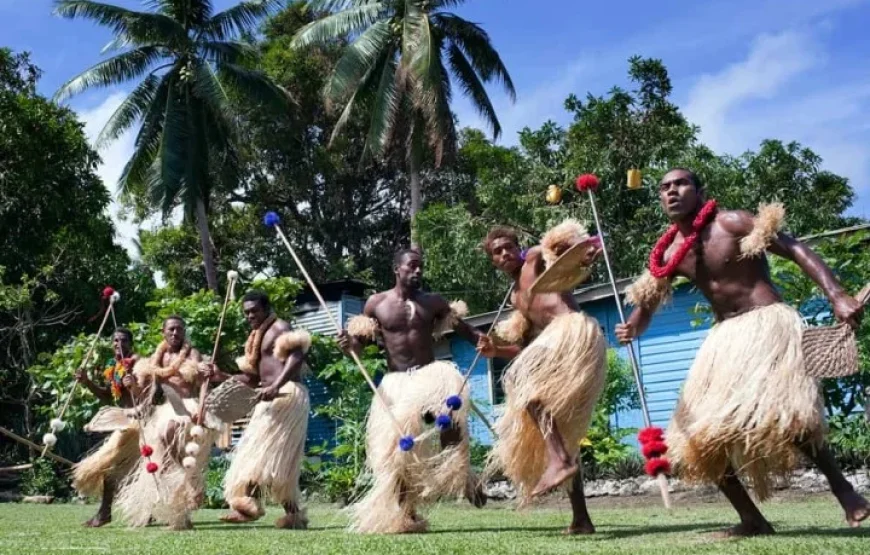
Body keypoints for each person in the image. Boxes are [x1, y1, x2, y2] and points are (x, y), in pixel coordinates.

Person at [615, 167, 870, 536]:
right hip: (724, 340)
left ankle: (844, 491)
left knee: (788, 415)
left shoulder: (732, 223)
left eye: (681, 184)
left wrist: (836, 295)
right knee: (695, 440)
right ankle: (753, 520)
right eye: (664, 188)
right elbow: (648, 301)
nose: (672, 191)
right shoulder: (670, 251)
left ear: (700, 191)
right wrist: (634, 326)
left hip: (767, 324)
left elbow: (795, 249)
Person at [337, 248, 490, 534]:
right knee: (397, 450)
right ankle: (407, 514)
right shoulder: (376, 304)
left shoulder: (433, 302)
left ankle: (462, 474)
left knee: (451, 414)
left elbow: (465, 331)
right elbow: (359, 346)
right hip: (396, 382)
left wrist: (484, 341)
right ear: (397, 269)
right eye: (412, 267)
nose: (418, 271)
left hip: (431, 375)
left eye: (421, 267)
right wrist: (349, 346)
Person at [477, 222, 607, 535]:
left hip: (573, 330)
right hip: (559, 343)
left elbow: (575, 249)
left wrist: (584, 254)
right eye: (498, 252)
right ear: (492, 260)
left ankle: (559, 460)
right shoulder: (516, 299)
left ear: (518, 247)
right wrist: (496, 350)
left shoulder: (534, 259)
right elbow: (524, 347)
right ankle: (581, 520)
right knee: (563, 432)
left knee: (521, 380)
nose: (505, 253)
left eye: (509, 247)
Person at [210, 290, 311, 529]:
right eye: (246, 312)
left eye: (254, 310)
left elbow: (297, 356)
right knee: (269, 458)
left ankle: (248, 506)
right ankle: (294, 515)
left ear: (266, 308)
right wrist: (220, 376)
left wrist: (276, 385)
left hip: (287, 396)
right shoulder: (256, 337)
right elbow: (252, 377)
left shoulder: (279, 328)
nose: (250, 316)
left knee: (266, 455)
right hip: (268, 398)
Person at [115, 316, 215, 530]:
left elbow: (202, 382)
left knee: (171, 437)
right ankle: (179, 517)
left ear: (184, 331)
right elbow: (145, 392)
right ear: (164, 332)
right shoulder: (156, 358)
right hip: (165, 409)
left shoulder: (192, 353)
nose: (175, 333)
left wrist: (204, 386)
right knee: (163, 465)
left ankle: (191, 479)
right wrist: (131, 386)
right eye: (171, 329)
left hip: (186, 408)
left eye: (179, 329)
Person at [72, 328, 140, 527]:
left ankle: (104, 513)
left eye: (124, 340)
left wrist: (134, 384)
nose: (119, 344)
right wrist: (87, 382)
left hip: (139, 423)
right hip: (123, 425)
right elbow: (108, 397)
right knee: (128, 472)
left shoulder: (137, 364)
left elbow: (149, 392)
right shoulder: (113, 367)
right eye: (115, 340)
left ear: (131, 344)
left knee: (113, 469)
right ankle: (138, 511)